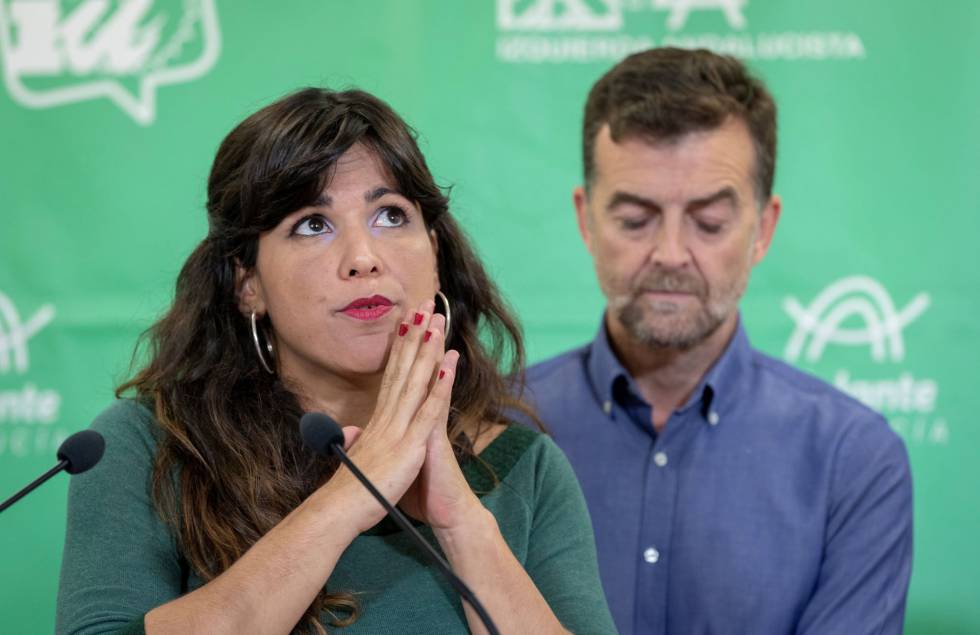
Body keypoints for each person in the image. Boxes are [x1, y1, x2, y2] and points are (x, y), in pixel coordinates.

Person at [56, 88, 616, 635]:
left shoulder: (526, 468)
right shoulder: (150, 449)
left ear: (436, 252)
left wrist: (461, 525)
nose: (363, 258)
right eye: (312, 225)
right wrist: (350, 497)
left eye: (391, 216)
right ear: (247, 283)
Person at [524, 48, 913, 634]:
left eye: (709, 222)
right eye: (635, 219)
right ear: (585, 219)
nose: (672, 254)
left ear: (764, 227)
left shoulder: (853, 461)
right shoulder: (496, 428)